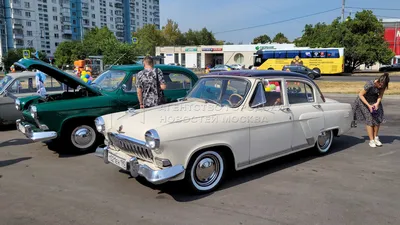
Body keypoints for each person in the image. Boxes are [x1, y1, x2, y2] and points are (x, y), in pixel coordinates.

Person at [352, 73, 390, 148]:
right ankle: (371, 140)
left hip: (374, 101)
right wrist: (369, 106)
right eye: (380, 84)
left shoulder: (383, 86)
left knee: (377, 118)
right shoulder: (370, 84)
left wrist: (377, 104)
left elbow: (380, 95)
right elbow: (360, 95)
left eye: (383, 85)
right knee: (369, 119)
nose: (381, 86)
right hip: (363, 101)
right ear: (378, 81)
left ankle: (376, 138)